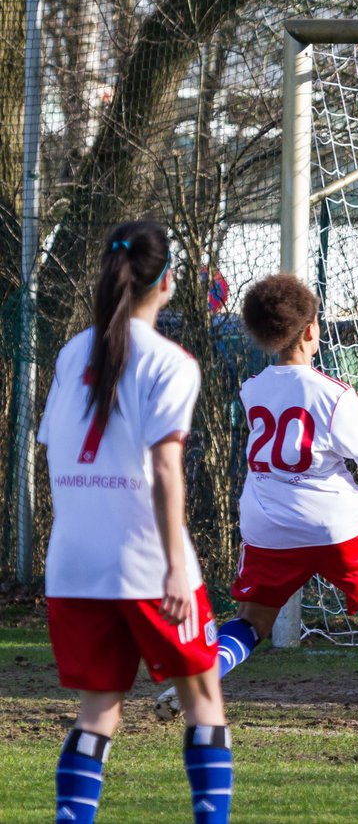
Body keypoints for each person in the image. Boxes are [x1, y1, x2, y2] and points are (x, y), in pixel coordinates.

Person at [155, 273, 358, 732]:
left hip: (268, 522)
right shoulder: (336, 395)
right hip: (333, 525)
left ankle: (203, 675)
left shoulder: (253, 389)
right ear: (310, 331)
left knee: (251, 622)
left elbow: (300, 420)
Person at [41, 221, 232, 823]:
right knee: (204, 700)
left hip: (73, 562)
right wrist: (177, 566)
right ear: (168, 281)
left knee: (98, 710)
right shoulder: (171, 363)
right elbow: (166, 468)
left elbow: (52, 450)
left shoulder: (74, 351)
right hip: (148, 561)